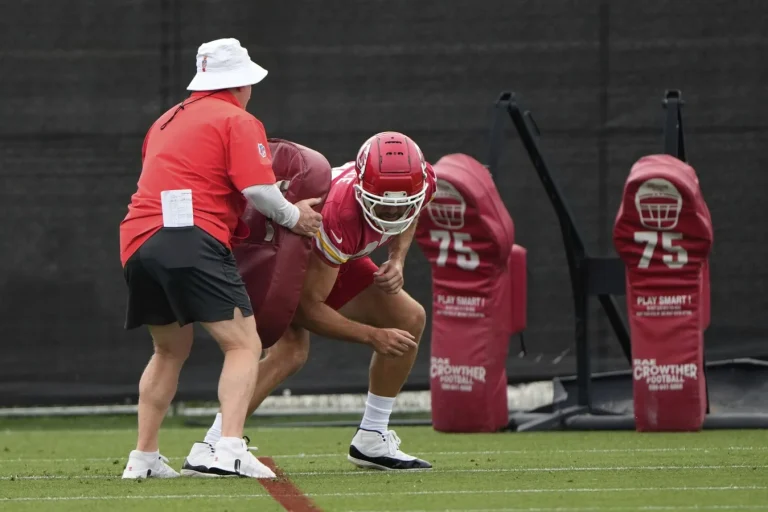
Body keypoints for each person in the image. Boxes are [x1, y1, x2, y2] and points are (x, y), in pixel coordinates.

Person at [119, 38, 322, 479]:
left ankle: (144, 459)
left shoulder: (165, 120)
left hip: (138, 241)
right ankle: (228, 448)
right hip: (191, 237)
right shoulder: (238, 119)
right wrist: (295, 217)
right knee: (243, 344)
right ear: (242, 83)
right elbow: (258, 191)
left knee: (168, 349)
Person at [182, 131, 436, 476]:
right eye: (383, 203)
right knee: (292, 350)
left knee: (409, 317)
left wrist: (398, 259)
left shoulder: (421, 180)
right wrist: (371, 336)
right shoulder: (339, 215)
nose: (392, 212)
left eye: (401, 203)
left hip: (337, 253)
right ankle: (214, 444)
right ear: (362, 189)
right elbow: (306, 308)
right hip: (281, 252)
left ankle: (372, 438)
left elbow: (413, 209)